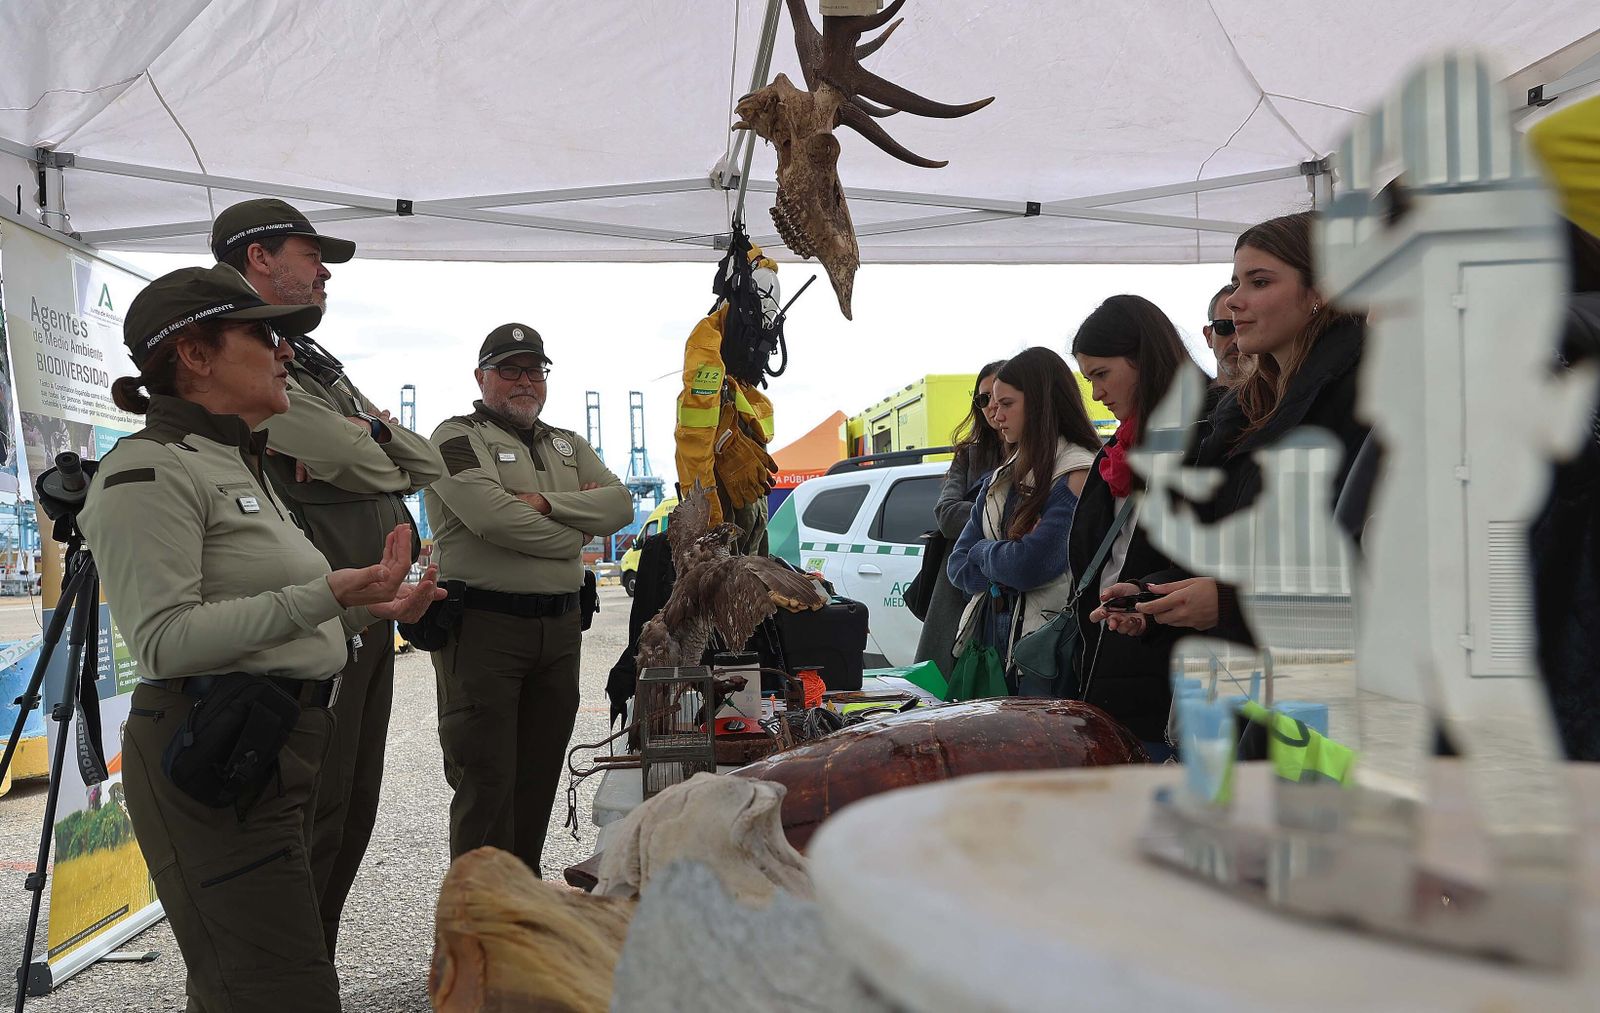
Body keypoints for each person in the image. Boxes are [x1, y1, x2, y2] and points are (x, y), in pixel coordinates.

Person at [81, 265, 441, 1012]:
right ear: (195, 354)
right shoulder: (147, 469)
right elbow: (165, 641)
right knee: (283, 992)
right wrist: (328, 590)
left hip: (273, 744)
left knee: (254, 987)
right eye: (264, 333)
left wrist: (371, 606)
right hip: (213, 754)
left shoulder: (233, 459)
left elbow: (272, 626)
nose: (285, 353)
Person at [211, 198, 445, 955]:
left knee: (349, 811)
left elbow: (416, 459)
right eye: (311, 256)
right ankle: (288, 978)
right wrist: (355, 441)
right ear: (257, 258)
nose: (325, 274)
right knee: (307, 815)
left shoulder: (307, 358)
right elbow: (357, 455)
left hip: (366, 612)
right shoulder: (231, 344)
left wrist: (360, 434)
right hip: (315, 615)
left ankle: (315, 970)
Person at [1094, 212, 1368, 647]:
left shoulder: (1365, 401)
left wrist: (1231, 603)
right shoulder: (1247, 409)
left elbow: (1379, 566)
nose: (1235, 301)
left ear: (1321, 290)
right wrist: (1160, 592)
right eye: (1237, 282)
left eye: (1259, 282)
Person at [426, 324, 633, 874]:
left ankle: (522, 916)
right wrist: (573, 531)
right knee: (486, 783)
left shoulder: (566, 442)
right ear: (481, 377)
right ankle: (478, 930)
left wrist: (541, 502)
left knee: (538, 778)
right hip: (485, 631)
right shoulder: (455, 438)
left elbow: (620, 507)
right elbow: (493, 518)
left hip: (560, 631)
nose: (525, 382)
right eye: (509, 370)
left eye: (534, 370)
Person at [1067, 294, 1195, 754]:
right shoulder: (1117, 451)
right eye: (1088, 380)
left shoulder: (1207, 437)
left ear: (1144, 358)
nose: (1097, 393)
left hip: (1173, 688)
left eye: (1101, 374)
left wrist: (1148, 594)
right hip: (1109, 668)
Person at [947, 348, 1100, 687]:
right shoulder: (1002, 476)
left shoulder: (1076, 470)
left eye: (1006, 404)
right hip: (996, 649)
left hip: (1046, 654)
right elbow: (957, 567)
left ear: (1041, 402)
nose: (995, 415)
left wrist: (984, 552)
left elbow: (1030, 565)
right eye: (991, 403)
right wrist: (1005, 561)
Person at [913, 360, 1011, 676]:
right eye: (983, 399)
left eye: (999, 397)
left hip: (1012, 583)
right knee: (950, 688)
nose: (991, 406)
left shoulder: (1043, 452)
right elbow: (946, 514)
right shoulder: (970, 454)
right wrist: (1006, 514)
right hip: (958, 585)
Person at [1202, 282, 1243, 414]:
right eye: (1225, 326)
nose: (1236, 340)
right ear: (1209, 336)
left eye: (1247, 327)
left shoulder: (1281, 402)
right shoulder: (1188, 407)